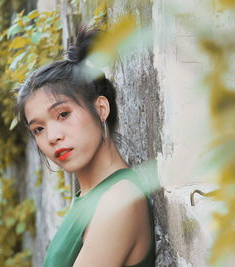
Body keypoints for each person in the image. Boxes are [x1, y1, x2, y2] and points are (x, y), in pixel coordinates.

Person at [16, 27, 155, 267]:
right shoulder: (90, 196)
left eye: (63, 114)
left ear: (101, 109)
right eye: (38, 129)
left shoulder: (119, 200)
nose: (52, 137)